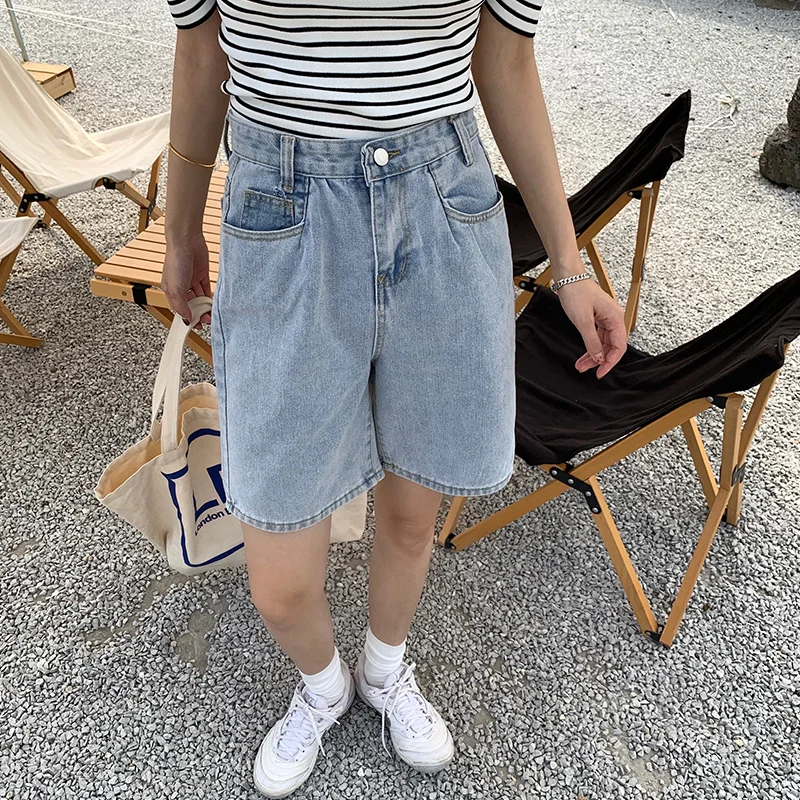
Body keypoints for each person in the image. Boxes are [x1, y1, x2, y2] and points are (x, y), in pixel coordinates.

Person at [162, 1, 627, 796]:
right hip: (281, 211)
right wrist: (179, 232)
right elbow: (202, 56)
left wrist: (570, 264)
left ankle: (382, 670)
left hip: (442, 207)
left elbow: (506, 63)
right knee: (279, 575)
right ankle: (324, 687)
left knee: (413, 513)